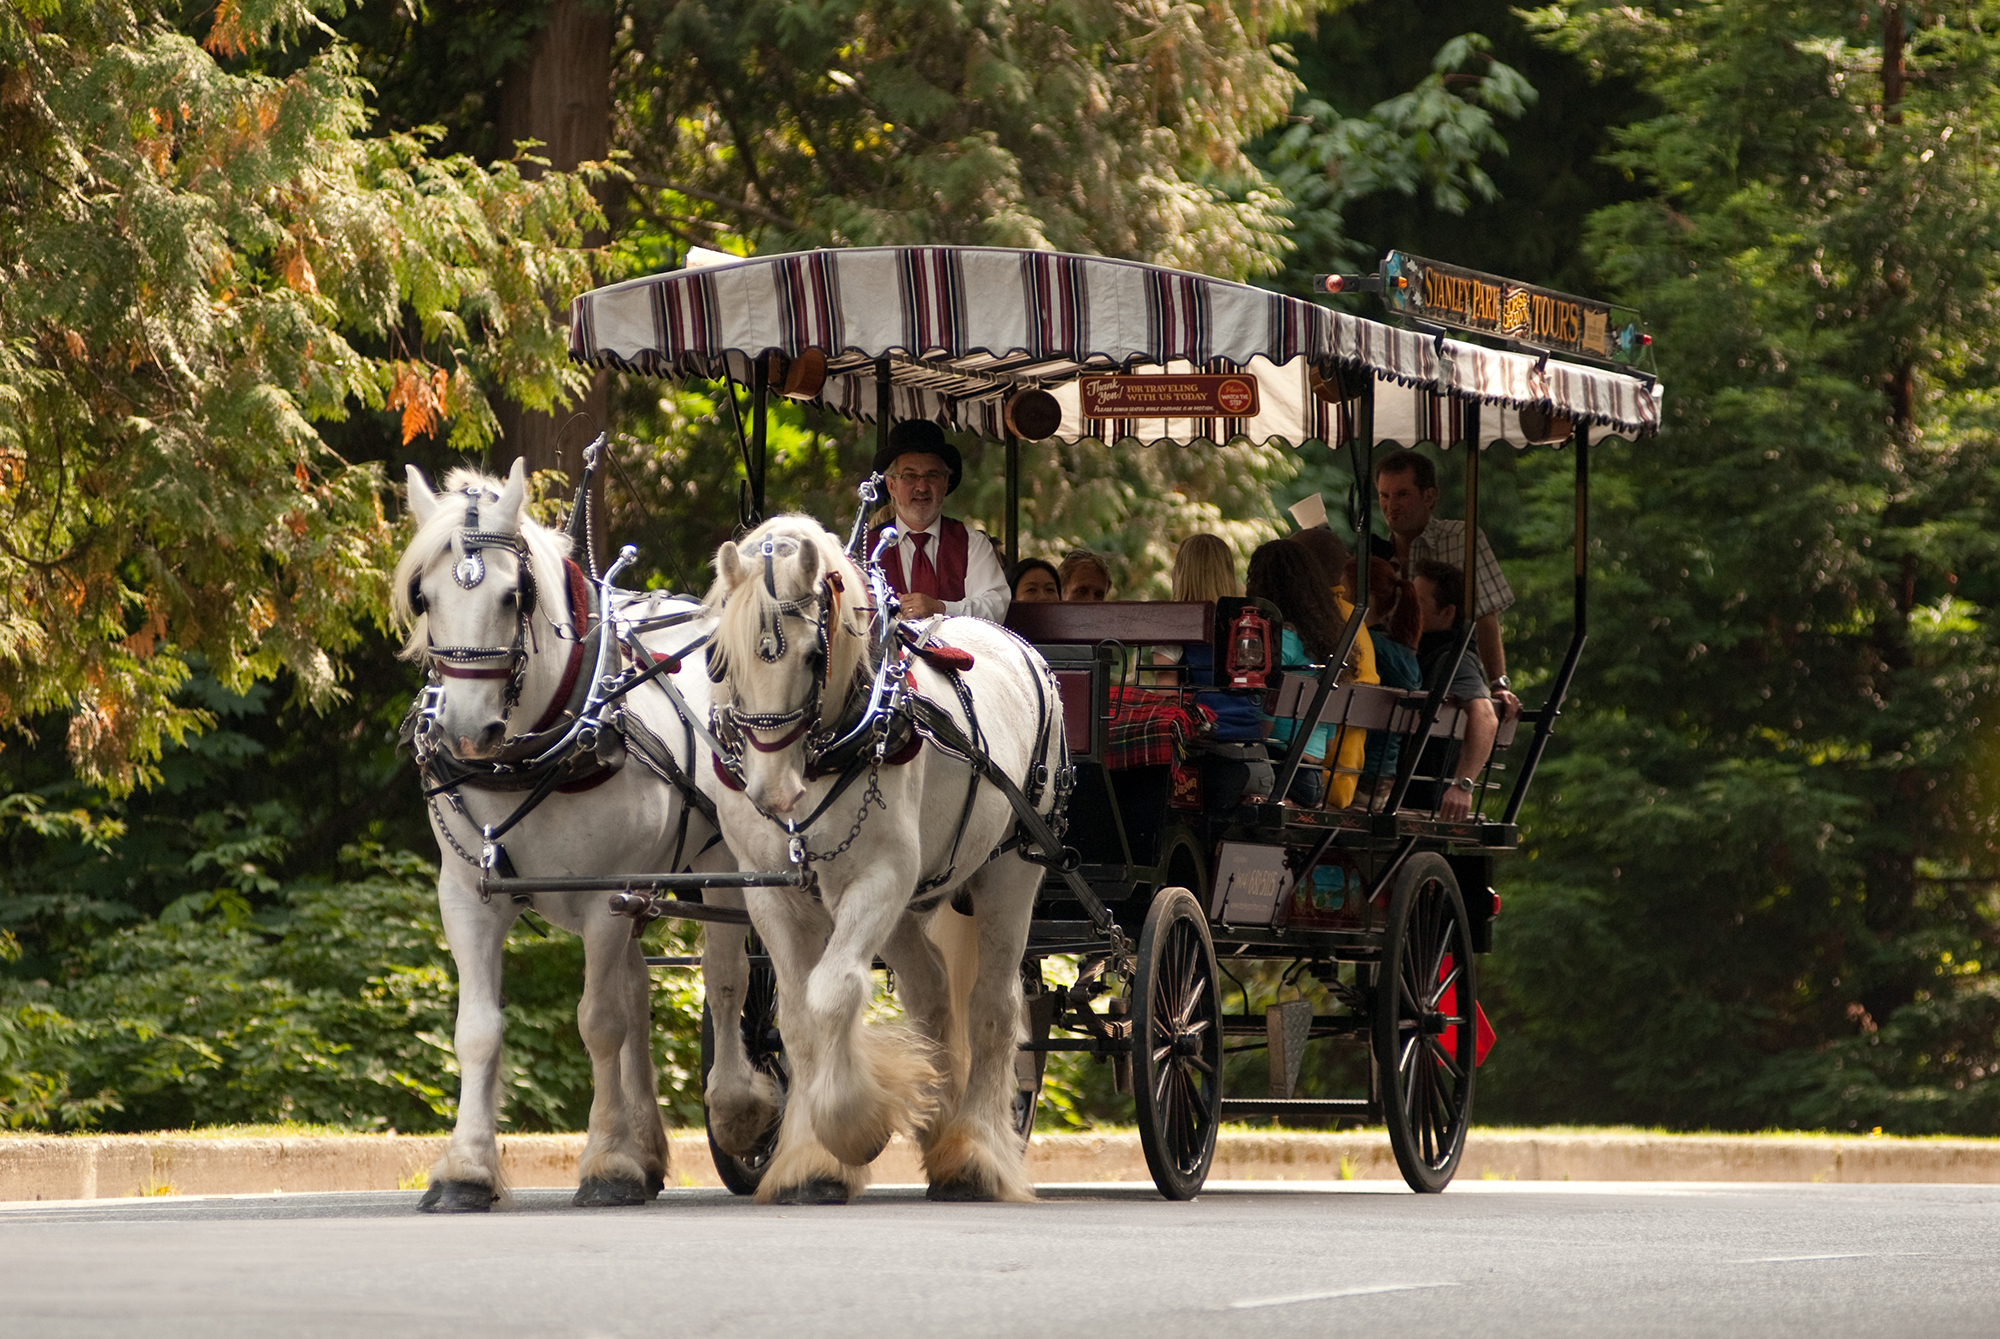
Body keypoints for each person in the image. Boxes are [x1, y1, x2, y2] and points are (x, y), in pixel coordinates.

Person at [1374, 448, 1521, 719]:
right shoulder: (1376, 556)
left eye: (1402, 494)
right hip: (1394, 678)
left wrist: (1498, 684)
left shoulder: (1461, 538)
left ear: (1428, 496)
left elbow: (1485, 616)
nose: (1391, 506)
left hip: (1448, 668)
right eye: (1385, 495)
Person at [1244, 540, 1357, 807]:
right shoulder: (1327, 643)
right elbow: (1329, 744)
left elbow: (1264, 728)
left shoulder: (1278, 641)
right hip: (1312, 776)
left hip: (1279, 772)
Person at [867, 420, 1010, 621]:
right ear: (891, 486)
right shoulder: (867, 547)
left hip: (960, 651)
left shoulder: (972, 543)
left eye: (932, 476)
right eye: (910, 476)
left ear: (945, 484)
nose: (922, 487)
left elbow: (995, 606)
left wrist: (942, 608)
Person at [1410, 559, 1499, 822]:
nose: (1407, 607)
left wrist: (1462, 786)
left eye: (1418, 602)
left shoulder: (1454, 659)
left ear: (1447, 613)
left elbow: (1486, 716)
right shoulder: (1419, 650)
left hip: (1420, 794)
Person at [1346, 555, 1423, 803]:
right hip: (1384, 778)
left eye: (1341, 588)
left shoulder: (1362, 646)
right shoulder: (1404, 651)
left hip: (1351, 773)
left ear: (1365, 598)